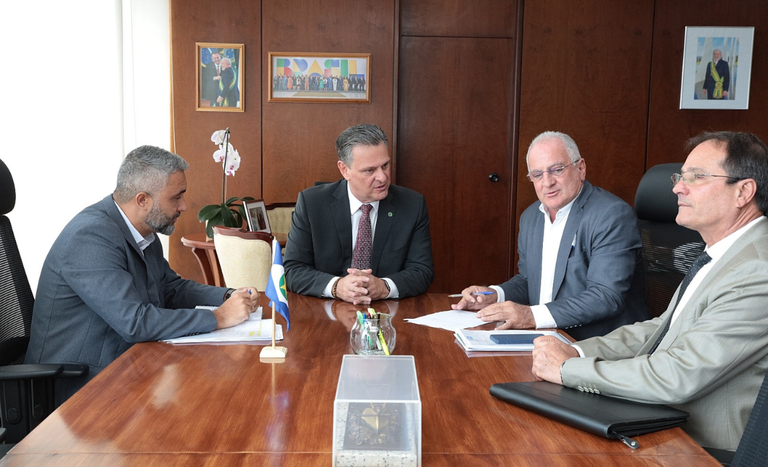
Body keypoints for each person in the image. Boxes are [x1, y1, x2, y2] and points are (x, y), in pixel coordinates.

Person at [531, 131, 768, 453]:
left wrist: (566, 370)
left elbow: (678, 375)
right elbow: (660, 329)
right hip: (657, 420)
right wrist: (576, 352)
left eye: (696, 177)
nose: (677, 188)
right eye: (680, 177)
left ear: (743, 191)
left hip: (698, 447)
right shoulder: (721, 252)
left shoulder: (757, 269)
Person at [25, 145, 261, 404]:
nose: (183, 206)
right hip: (78, 388)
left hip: (125, 366)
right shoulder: (90, 237)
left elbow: (171, 289)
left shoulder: (143, 231)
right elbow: (135, 322)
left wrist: (228, 295)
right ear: (142, 200)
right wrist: (219, 317)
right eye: (176, 197)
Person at [452, 131, 648, 340]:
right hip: (547, 338)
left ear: (581, 168)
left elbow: (605, 297)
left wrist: (530, 315)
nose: (547, 182)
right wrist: (494, 295)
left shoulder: (611, 215)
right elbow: (529, 281)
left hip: (598, 344)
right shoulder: (531, 217)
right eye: (537, 174)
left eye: (557, 170)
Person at [284, 124, 434, 305]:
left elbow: (422, 271)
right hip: (325, 310)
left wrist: (385, 287)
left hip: (387, 312)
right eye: (370, 170)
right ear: (344, 170)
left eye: (385, 165)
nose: (382, 177)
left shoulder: (412, 205)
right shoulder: (312, 203)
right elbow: (292, 270)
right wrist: (337, 286)